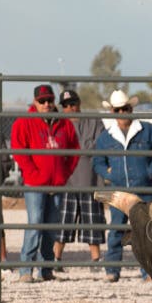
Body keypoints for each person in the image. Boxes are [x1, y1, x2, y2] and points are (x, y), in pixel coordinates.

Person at [93, 90, 152, 282]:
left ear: (131, 108)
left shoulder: (149, 131)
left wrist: (150, 172)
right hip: (119, 191)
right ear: (112, 111)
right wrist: (108, 173)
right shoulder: (105, 137)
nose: (122, 113)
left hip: (144, 189)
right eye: (118, 110)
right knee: (117, 229)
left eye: (125, 109)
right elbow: (97, 161)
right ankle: (113, 270)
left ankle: (149, 271)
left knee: (146, 230)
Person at [11, 84, 80, 283]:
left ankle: (46, 268)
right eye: (42, 101)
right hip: (35, 184)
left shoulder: (64, 123)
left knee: (51, 227)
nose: (47, 104)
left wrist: (64, 174)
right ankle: (26, 269)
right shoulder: (24, 122)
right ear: (35, 102)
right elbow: (18, 149)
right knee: (35, 224)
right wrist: (32, 172)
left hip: (57, 184)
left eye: (49, 100)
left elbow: (74, 150)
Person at [52, 90, 106, 272]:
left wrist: (74, 150)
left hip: (90, 181)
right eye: (66, 105)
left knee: (93, 223)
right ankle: (56, 259)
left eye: (73, 103)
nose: (70, 108)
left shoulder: (94, 121)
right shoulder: (58, 124)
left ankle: (96, 261)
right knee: (62, 223)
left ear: (79, 103)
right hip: (66, 182)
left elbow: (101, 144)